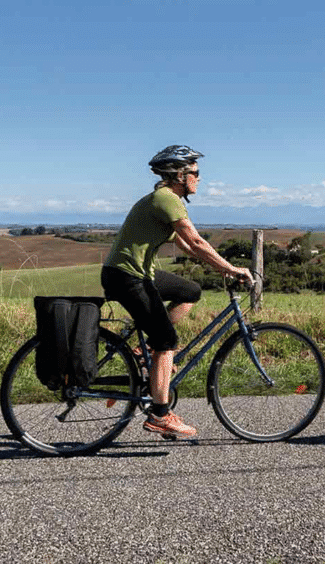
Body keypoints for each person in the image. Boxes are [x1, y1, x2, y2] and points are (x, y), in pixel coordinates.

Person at [101, 145, 253, 439]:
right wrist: (232, 269)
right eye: (195, 172)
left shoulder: (165, 200)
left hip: (139, 274)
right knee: (166, 341)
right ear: (180, 175)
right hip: (127, 277)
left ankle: (141, 355)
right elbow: (195, 241)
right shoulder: (166, 199)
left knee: (190, 291)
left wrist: (219, 267)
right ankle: (159, 416)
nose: (199, 178)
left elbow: (185, 245)